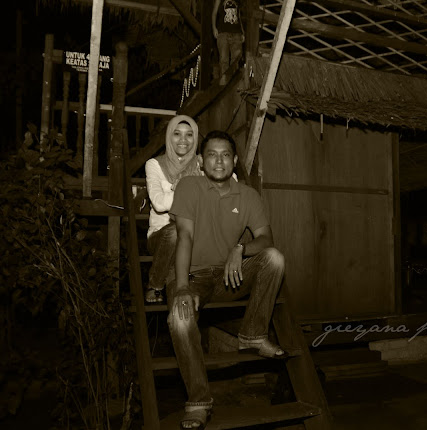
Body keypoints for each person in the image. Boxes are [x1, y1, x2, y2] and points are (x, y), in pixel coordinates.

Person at [168, 130, 286, 429]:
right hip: (193, 276)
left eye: (225, 155)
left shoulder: (248, 195)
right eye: (211, 154)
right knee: (180, 320)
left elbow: (266, 238)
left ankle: (253, 334)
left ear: (234, 161)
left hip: (228, 277)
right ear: (200, 161)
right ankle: (198, 402)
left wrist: (241, 249)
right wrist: (181, 286)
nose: (218, 161)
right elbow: (184, 236)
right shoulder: (189, 186)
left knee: (274, 258)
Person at [144, 115, 202, 303]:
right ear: (169, 137)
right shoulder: (154, 164)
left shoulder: (201, 163)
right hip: (162, 236)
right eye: (177, 134)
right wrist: (186, 186)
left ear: (195, 138)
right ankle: (155, 284)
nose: (183, 140)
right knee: (176, 232)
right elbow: (159, 204)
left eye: (189, 135)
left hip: (194, 235)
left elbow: (230, 180)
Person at [212, 0, 244, 85]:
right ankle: (224, 83)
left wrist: (242, 32)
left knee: (236, 60)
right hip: (223, 33)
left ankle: (234, 83)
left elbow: (239, 16)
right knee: (224, 59)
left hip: (236, 33)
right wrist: (214, 28)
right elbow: (214, 13)